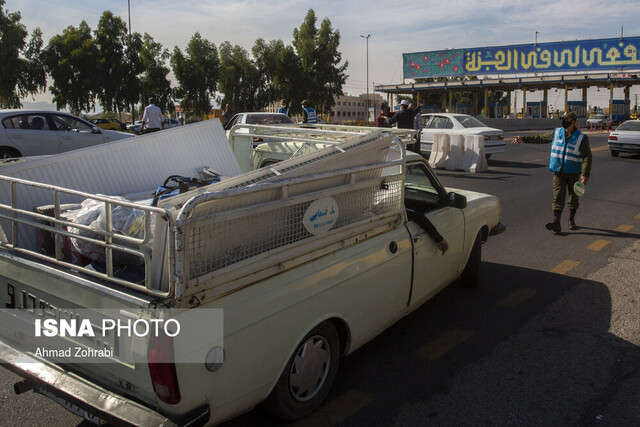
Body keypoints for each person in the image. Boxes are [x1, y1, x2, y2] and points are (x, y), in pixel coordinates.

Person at [512, 111, 592, 233]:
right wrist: (523, 138)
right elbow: (540, 138)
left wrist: (585, 174)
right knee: (557, 197)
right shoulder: (557, 132)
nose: (564, 122)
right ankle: (556, 222)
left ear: (573, 121)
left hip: (573, 172)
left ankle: (571, 219)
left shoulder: (582, 138)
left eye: (567, 120)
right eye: (563, 120)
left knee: (573, 197)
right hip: (558, 171)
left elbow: (587, 157)